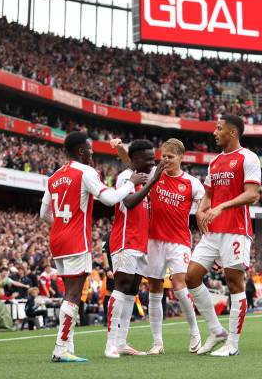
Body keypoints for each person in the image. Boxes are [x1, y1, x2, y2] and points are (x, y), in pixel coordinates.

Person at [39, 131, 146, 363]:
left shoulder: (54, 176)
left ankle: (66, 345)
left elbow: (43, 213)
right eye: (90, 149)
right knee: (74, 294)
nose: (92, 153)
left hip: (57, 240)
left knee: (69, 292)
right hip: (76, 240)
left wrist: (61, 224)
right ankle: (60, 349)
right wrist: (131, 183)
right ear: (81, 151)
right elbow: (110, 199)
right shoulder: (86, 171)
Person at [112, 137, 204, 354]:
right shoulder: (154, 174)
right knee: (154, 288)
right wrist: (119, 149)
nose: (166, 160)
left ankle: (194, 332)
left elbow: (204, 205)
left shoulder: (193, 183)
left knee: (180, 285)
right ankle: (157, 342)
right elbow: (132, 163)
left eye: (170, 157)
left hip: (179, 241)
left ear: (181, 158)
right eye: (163, 156)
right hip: (153, 239)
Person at [185, 114, 261, 357]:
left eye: (219, 129)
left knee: (234, 282)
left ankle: (233, 344)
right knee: (191, 277)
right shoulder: (215, 161)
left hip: (236, 230)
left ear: (233, 132)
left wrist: (221, 207)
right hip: (213, 231)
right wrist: (201, 209)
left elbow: (252, 195)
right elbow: (208, 193)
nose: (214, 132)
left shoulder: (248, 158)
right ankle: (216, 330)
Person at [104, 139, 164, 359]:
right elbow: (128, 202)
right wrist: (150, 182)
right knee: (121, 288)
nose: (152, 162)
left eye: (153, 158)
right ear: (136, 159)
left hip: (141, 243)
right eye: (148, 159)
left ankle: (121, 342)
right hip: (124, 240)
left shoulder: (144, 177)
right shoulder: (125, 178)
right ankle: (110, 343)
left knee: (131, 291)